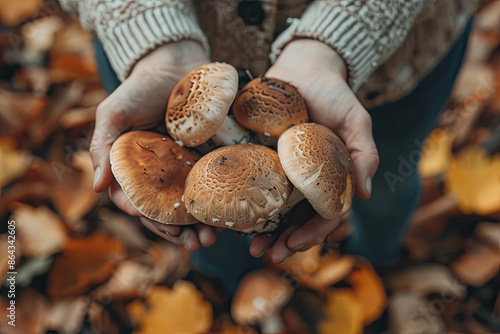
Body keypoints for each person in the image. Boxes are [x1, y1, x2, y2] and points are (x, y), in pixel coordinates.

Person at [60, 0, 480, 291]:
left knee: (387, 185)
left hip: (397, 65)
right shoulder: (187, 126)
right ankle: (229, 284)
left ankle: (376, 260)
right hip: (156, 58)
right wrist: (153, 41)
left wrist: (333, 44)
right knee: (206, 225)